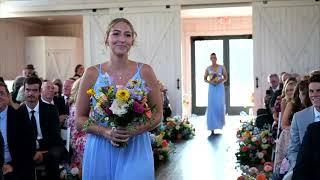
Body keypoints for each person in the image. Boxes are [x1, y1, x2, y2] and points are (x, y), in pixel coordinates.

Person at [75, 18, 162, 180]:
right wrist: (105, 132)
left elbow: (158, 115)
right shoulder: (92, 73)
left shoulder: (146, 71)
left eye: (127, 35)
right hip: (100, 146)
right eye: (116, 34)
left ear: (132, 40)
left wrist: (133, 130)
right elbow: (79, 119)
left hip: (136, 146)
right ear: (107, 39)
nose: (122, 39)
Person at [17, 76, 67, 180]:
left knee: (53, 155)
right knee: (23, 157)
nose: (30, 93)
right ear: (24, 91)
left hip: (51, 147)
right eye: (28, 90)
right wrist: (32, 151)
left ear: (40, 92)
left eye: (34, 90)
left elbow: (55, 137)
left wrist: (38, 146)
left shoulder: (51, 109)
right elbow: (19, 139)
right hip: (29, 150)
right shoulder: (18, 113)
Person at [286, 73, 320, 175]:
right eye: (311, 91)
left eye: (319, 91)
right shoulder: (299, 117)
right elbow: (293, 150)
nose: (314, 94)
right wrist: (299, 167)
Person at [0, 82, 35, 180]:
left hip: (15, 166)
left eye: (1, 93)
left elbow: (29, 148)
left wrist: (12, 166)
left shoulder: (20, 117)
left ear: (8, 96)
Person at [203, 52, 228, 135]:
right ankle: (212, 128)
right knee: (212, 105)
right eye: (212, 58)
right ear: (210, 59)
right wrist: (210, 82)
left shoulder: (221, 67)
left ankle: (219, 124)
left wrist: (221, 80)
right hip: (212, 88)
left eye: (214, 57)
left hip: (220, 87)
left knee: (219, 105)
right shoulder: (208, 68)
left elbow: (226, 78)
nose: (213, 59)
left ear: (216, 58)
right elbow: (204, 79)